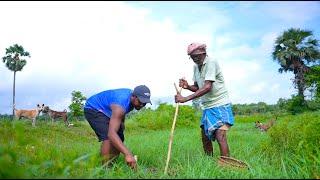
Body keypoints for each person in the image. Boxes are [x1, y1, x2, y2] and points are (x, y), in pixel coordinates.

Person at [174, 42, 234, 157]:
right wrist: (187, 86)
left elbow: (207, 87)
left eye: (197, 56)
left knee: (220, 135)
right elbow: (198, 87)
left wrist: (185, 99)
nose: (195, 59)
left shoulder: (211, 62)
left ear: (204, 53)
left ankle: (227, 164)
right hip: (207, 107)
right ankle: (208, 162)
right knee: (205, 137)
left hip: (220, 104)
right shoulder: (195, 67)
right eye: (192, 57)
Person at [83, 85, 152, 169]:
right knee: (108, 137)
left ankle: (112, 165)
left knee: (119, 137)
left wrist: (121, 124)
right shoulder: (120, 104)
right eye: (140, 101)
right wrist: (128, 154)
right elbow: (111, 134)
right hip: (93, 108)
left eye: (144, 103)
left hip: (107, 111)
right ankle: (105, 169)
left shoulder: (131, 102)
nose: (142, 105)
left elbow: (122, 114)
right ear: (133, 96)